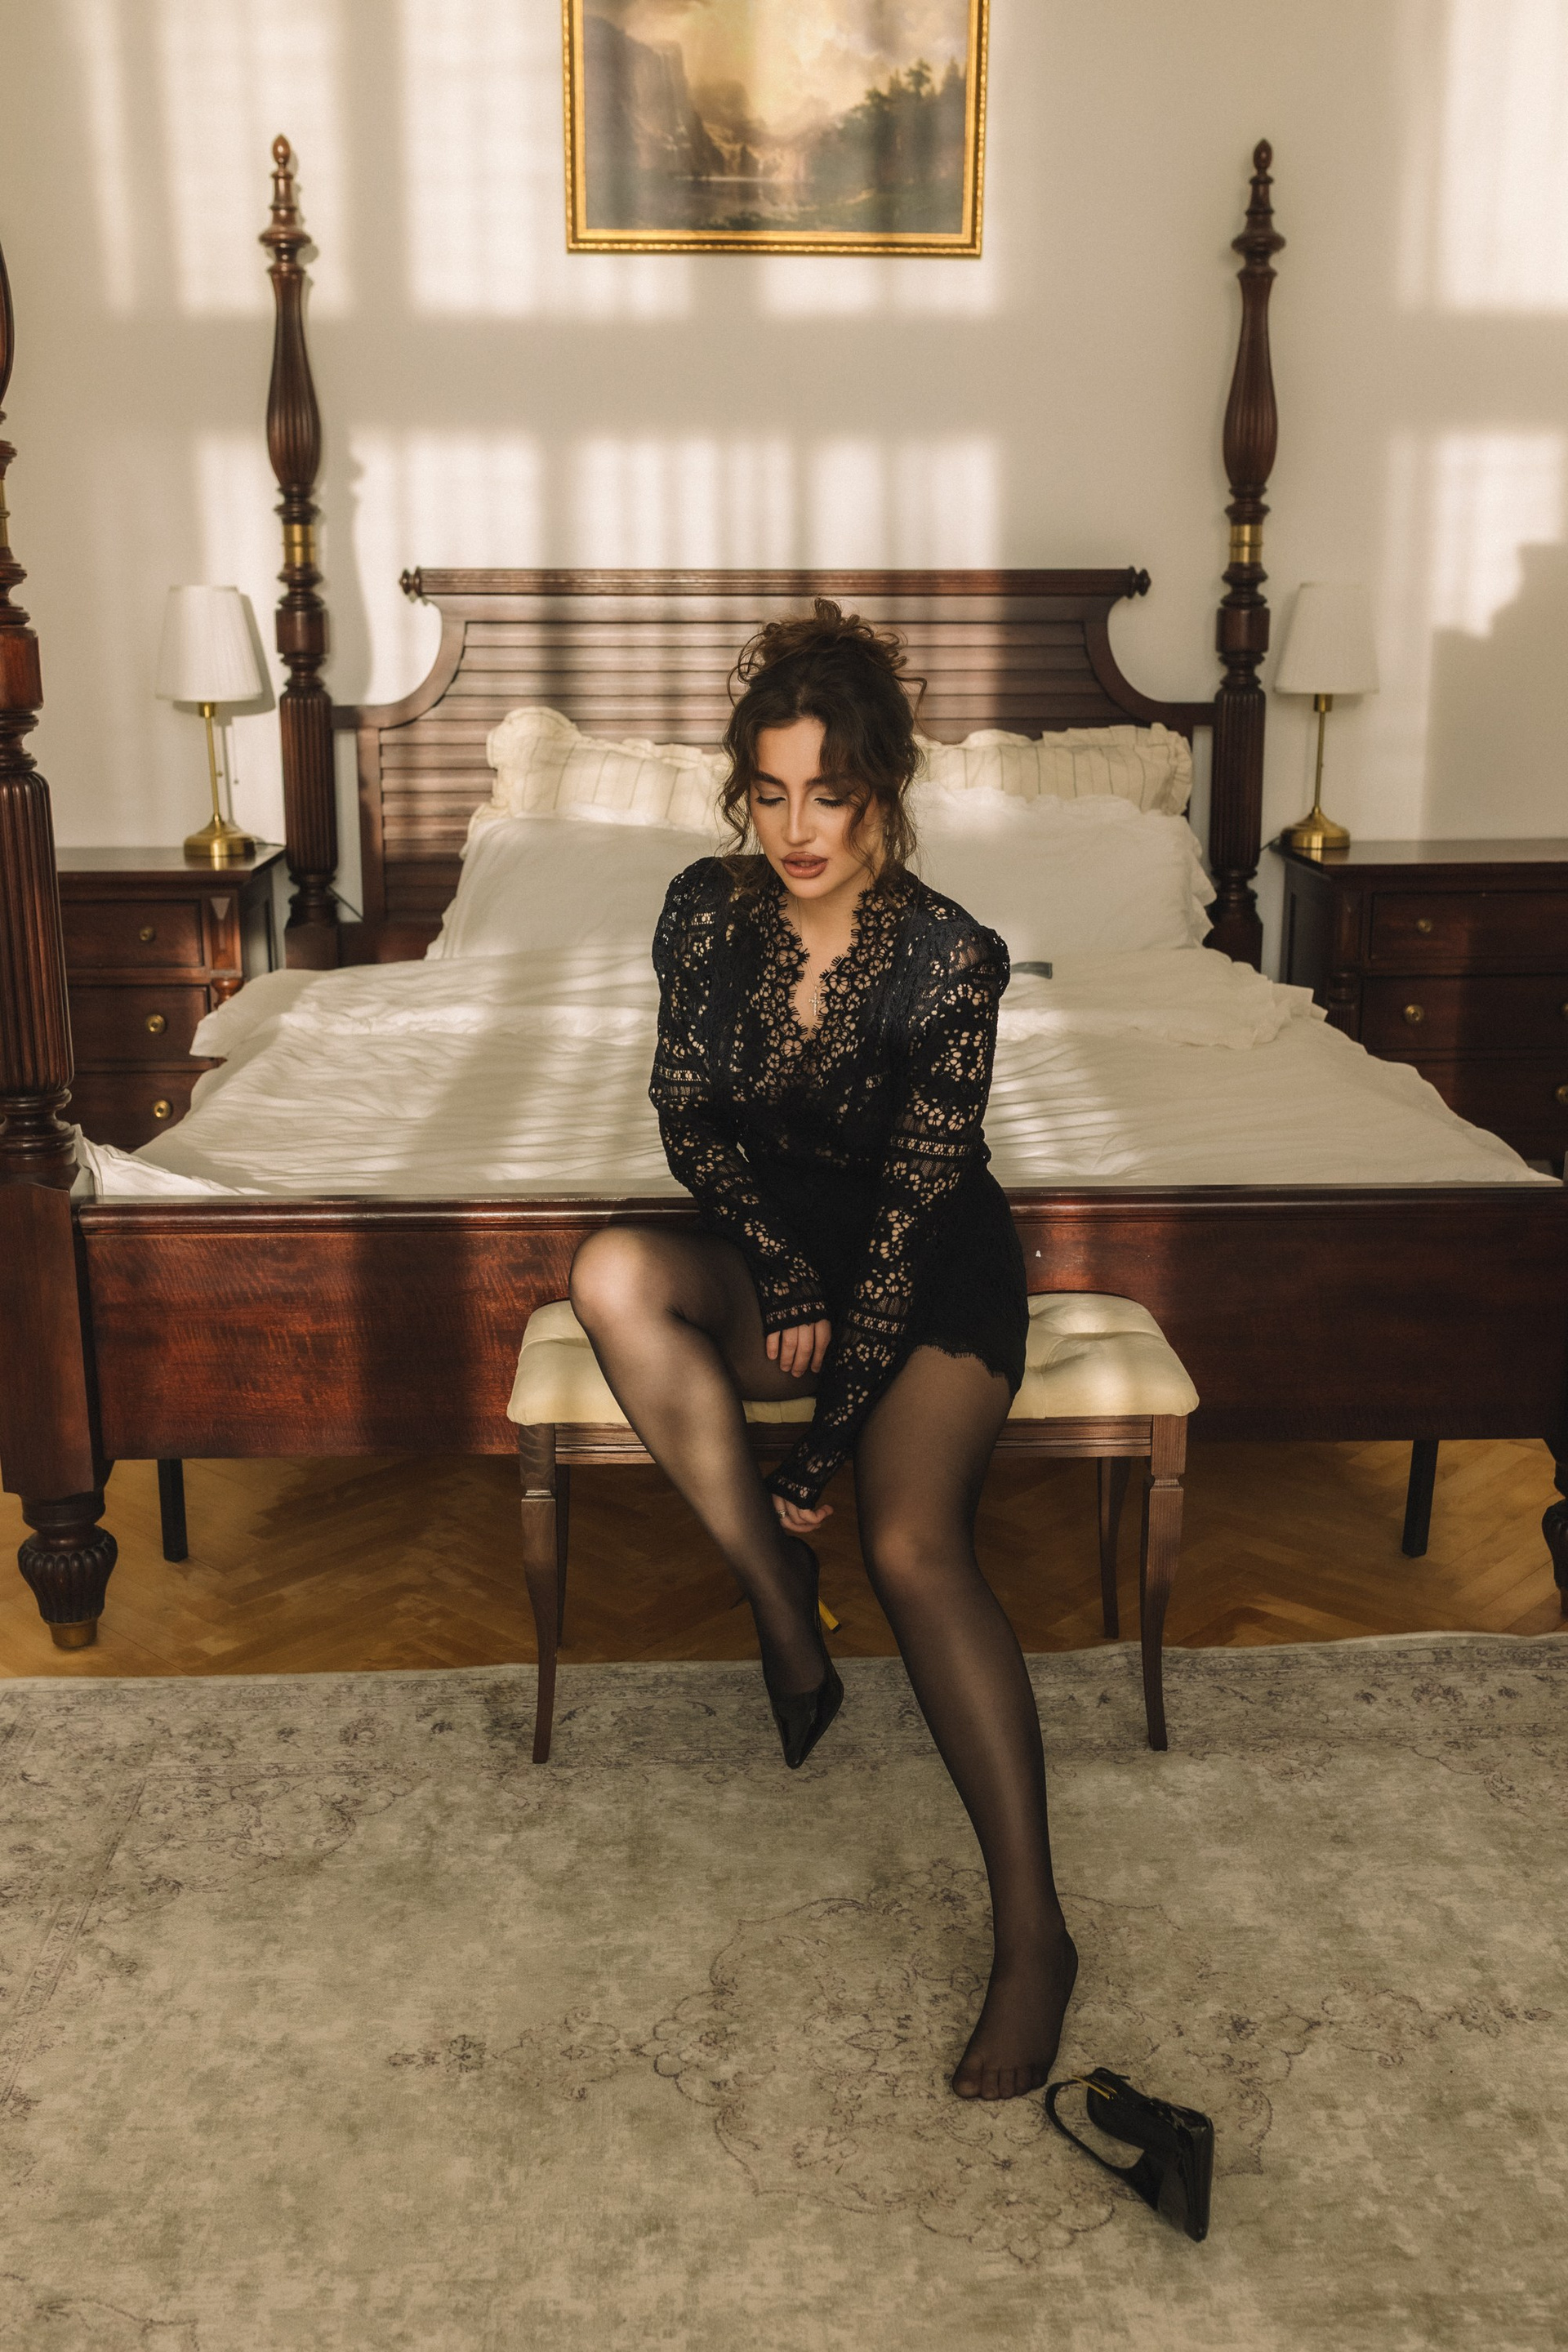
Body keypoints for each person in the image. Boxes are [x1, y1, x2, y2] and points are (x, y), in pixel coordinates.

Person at [568, 600, 1077, 2102]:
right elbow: (689, 1115)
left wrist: (826, 1450)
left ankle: (1037, 1938)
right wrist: (780, 1262)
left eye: (831, 795)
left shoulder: (953, 960)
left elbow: (912, 1228)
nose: (797, 830)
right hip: (778, 1250)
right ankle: (781, 1601)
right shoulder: (704, 910)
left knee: (912, 1547)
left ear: (885, 792)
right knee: (611, 1270)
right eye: (771, 792)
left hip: (933, 1275)